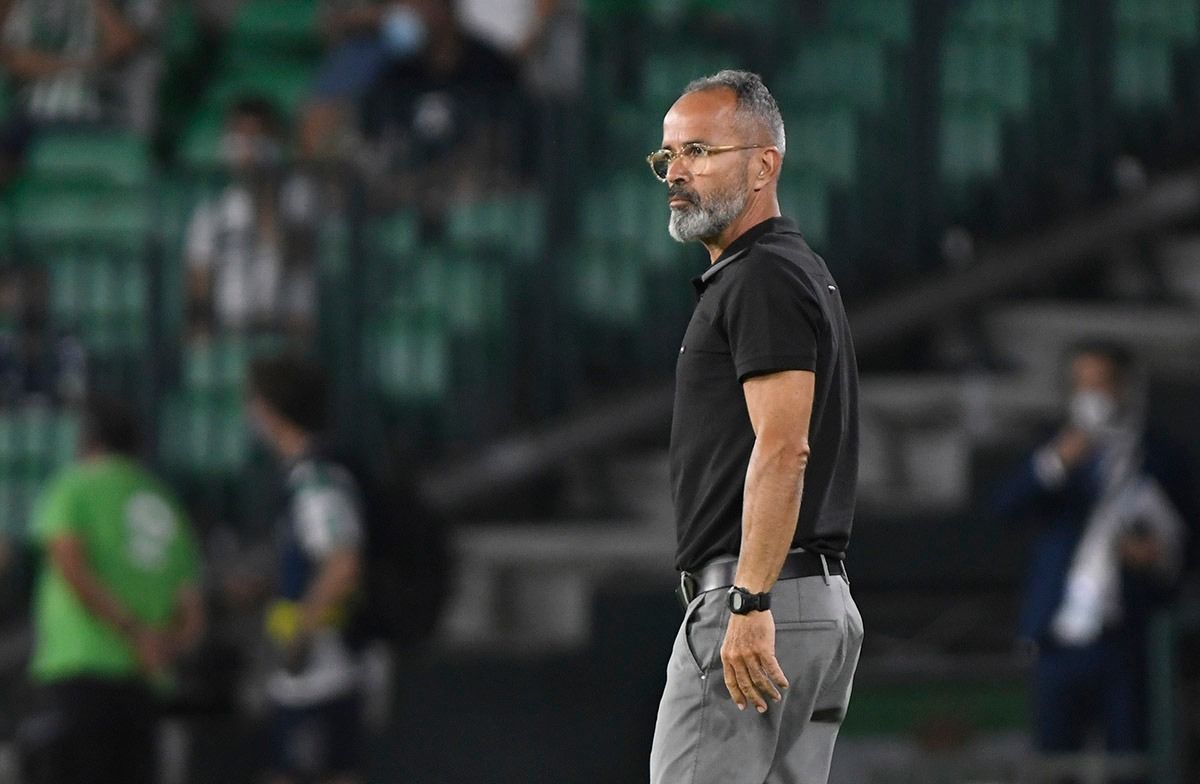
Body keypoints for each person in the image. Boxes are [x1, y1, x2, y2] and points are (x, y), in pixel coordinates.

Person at [647, 70, 863, 784]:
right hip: (812, 602)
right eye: (668, 157)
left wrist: (750, 600)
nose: (677, 173)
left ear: (764, 164)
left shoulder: (761, 275)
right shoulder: (788, 269)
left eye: (700, 152)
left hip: (761, 600)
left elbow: (784, 447)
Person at [994, 342, 1191, 779]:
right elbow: (1003, 508)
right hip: (1058, 637)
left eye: (1100, 383)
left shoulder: (1161, 454)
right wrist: (1057, 461)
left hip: (1130, 639)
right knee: (1053, 763)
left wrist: (1158, 558)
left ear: (1124, 387)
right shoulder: (1052, 445)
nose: (1090, 395)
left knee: (1132, 763)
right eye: (1081, 384)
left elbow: (1184, 542)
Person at [20, 395, 205, 784]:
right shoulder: (164, 499)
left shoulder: (72, 487)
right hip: (145, 678)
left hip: (80, 665)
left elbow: (70, 564)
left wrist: (131, 630)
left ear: (86, 440)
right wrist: (163, 645)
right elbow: (191, 608)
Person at [244, 354, 366, 784]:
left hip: (321, 672)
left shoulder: (316, 480)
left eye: (254, 403)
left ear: (272, 410)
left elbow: (342, 563)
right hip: (305, 675)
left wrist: (302, 632)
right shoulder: (301, 477)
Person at [185, 97, 319, 339]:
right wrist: (200, 329)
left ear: (275, 142)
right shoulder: (212, 210)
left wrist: (262, 194)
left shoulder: (300, 194)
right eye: (238, 135)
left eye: (256, 136)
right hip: (232, 330)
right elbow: (199, 280)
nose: (246, 146)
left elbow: (294, 255)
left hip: (289, 326)